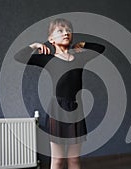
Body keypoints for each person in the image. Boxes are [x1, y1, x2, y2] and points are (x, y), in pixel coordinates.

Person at [14, 18, 105, 169]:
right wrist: (35, 45)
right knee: (57, 160)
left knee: (74, 160)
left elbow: (101, 48)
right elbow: (19, 57)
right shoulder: (48, 59)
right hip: (57, 111)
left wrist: (83, 44)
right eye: (60, 31)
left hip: (77, 111)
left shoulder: (80, 57)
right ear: (51, 39)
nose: (66, 33)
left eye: (69, 30)